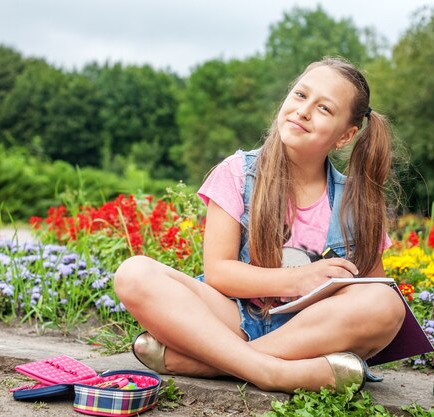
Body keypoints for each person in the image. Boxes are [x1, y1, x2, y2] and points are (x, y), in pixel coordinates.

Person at [114, 57, 406, 394]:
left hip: (309, 331)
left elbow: (369, 289)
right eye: (300, 95)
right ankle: (274, 373)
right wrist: (300, 278)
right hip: (232, 317)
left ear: (346, 135)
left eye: (324, 108)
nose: (304, 110)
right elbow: (219, 272)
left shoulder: (356, 201)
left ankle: (211, 363)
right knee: (134, 274)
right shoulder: (238, 173)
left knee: (386, 303)